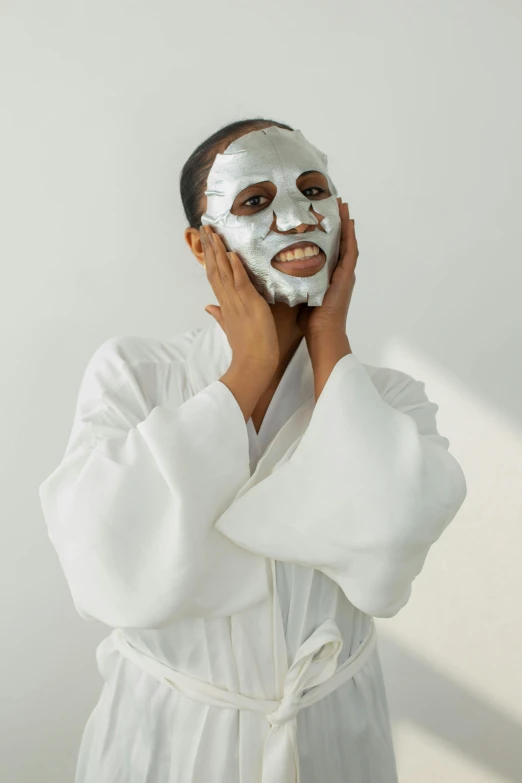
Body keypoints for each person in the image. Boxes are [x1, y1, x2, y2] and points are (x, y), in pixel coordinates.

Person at [38, 117, 468, 783]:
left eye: (312, 190)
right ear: (201, 242)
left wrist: (329, 338)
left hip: (335, 739)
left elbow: (387, 560)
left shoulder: (394, 401)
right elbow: (105, 566)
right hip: (171, 739)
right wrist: (247, 372)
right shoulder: (136, 374)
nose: (295, 217)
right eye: (255, 200)